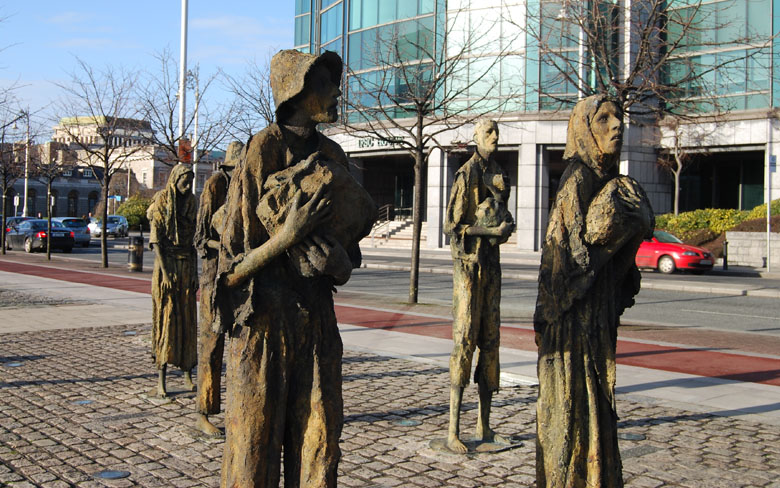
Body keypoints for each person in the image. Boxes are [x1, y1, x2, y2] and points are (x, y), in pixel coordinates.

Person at [214, 49, 375, 487]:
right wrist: (285, 238)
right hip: (263, 328)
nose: (338, 91)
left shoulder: (333, 155)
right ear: (299, 93)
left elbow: (349, 252)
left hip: (316, 328)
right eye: (325, 84)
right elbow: (227, 274)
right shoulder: (261, 150)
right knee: (253, 454)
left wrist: (340, 264)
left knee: (319, 448)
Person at [534, 95, 653, 487]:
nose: (616, 124)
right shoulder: (577, 182)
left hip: (596, 323)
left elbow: (617, 276)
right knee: (572, 417)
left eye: (618, 117)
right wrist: (614, 243)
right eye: (603, 119)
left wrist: (630, 238)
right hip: (571, 330)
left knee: (595, 413)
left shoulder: (607, 182)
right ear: (585, 130)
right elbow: (564, 271)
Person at [444, 119, 514, 454]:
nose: (495, 137)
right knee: (464, 340)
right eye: (489, 133)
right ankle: (453, 430)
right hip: (469, 270)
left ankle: (484, 425)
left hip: (492, 268)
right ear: (476, 138)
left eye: (497, 132)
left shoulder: (500, 172)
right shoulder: (466, 174)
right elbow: (453, 227)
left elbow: (505, 214)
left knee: (491, 340)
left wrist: (507, 226)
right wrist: (490, 233)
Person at [193, 141, 243, 437]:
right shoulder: (215, 186)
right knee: (211, 346)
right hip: (214, 278)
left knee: (239, 343)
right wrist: (225, 247)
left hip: (237, 275)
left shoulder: (244, 186)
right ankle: (203, 411)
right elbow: (201, 239)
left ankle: (236, 406)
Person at [147, 163, 198, 398]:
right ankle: (161, 378)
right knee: (167, 320)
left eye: (190, 182)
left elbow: (195, 242)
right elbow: (156, 240)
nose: (187, 186)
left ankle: (188, 372)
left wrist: (195, 273)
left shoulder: (191, 202)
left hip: (186, 265)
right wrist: (166, 273)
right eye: (184, 182)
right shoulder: (163, 201)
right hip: (166, 267)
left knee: (187, 320)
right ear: (174, 180)